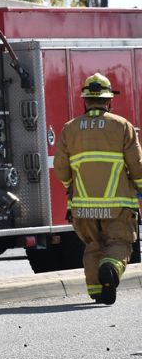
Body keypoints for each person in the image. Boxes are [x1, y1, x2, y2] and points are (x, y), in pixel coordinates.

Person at [53, 73, 142, 305]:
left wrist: (71, 187)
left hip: (83, 207)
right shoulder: (122, 126)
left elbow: (61, 169)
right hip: (117, 205)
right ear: (109, 101)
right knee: (119, 243)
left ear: (85, 101)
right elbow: (137, 166)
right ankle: (110, 270)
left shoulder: (70, 129)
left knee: (93, 246)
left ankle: (97, 290)